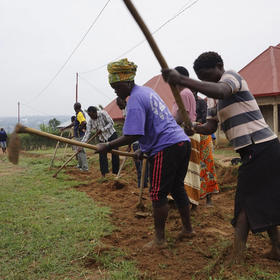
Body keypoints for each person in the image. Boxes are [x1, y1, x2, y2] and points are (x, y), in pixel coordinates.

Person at [162, 51, 280, 261]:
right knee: (260, 197)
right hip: (250, 150)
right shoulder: (211, 99)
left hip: (262, 146)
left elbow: (223, 91)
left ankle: (237, 255)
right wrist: (194, 128)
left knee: (245, 200)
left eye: (206, 75)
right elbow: (210, 126)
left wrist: (182, 80)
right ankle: (276, 248)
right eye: (201, 78)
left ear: (219, 66)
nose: (204, 80)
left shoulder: (231, 78)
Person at [95, 58, 194, 249]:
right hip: (181, 142)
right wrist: (144, 149)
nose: (115, 90)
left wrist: (107, 146)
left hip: (166, 147)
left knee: (157, 193)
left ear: (128, 81)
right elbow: (155, 124)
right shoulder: (148, 92)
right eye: (113, 87)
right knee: (177, 187)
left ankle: (159, 240)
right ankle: (188, 229)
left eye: (117, 86)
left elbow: (132, 134)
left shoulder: (135, 101)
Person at [171, 66, 200, 210]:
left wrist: (167, 125)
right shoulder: (186, 92)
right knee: (189, 169)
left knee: (185, 170)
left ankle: (186, 201)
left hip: (186, 133)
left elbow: (181, 116)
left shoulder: (183, 94)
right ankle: (190, 201)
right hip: (188, 133)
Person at [116, 97, 149, 188]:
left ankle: (142, 184)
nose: (119, 106)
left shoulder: (130, 110)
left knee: (140, 163)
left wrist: (129, 143)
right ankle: (143, 183)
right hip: (134, 141)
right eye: (118, 105)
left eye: (119, 104)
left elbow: (132, 128)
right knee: (141, 162)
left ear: (124, 101)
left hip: (138, 140)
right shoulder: (125, 110)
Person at [193, 92, 219, 207]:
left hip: (203, 136)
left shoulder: (202, 103)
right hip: (191, 137)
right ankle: (193, 199)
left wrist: (195, 124)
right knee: (193, 166)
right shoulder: (184, 103)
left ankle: (209, 198)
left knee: (207, 165)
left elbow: (205, 119)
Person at [82, 106, 119, 177]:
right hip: (102, 139)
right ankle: (104, 174)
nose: (91, 117)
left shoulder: (103, 113)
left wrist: (102, 129)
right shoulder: (90, 121)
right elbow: (87, 133)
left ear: (95, 112)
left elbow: (111, 123)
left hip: (111, 135)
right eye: (89, 115)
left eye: (92, 115)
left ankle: (116, 173)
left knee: (115, 154)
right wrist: (82, 144)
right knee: (102, 155)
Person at [63, 103, 88, 171]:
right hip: (78, 135)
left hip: (80, 135)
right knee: (78, 151)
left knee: (81, 151)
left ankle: (85, 168)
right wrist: (65, 127)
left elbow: (84, 122)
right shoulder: (78, 114)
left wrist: (79, 128)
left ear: (74, 108)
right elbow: (74, 123)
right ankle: (80, 165)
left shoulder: (80, 114)